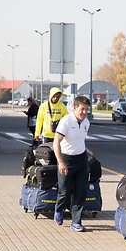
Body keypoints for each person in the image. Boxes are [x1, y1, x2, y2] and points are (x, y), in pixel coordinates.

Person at [53, 96, 91, 232]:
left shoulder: (86, 122)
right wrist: (61, 162)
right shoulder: (66, 121)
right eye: (82, 109)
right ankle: (59, 209)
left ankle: (76, 222)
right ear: (74, 108)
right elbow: (56, 142)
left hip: (81, 159)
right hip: (66, 160)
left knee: (81, 191)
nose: (85, 112)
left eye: (87, 109)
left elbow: (81, 141)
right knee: (65, 191)